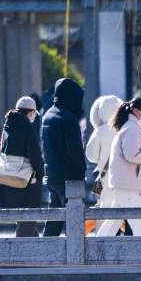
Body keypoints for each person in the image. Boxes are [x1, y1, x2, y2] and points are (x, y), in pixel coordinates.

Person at [96, 97, 141, 237]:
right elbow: (132, 155)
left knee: (112, 224)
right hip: (129, 186)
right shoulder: (132, 129)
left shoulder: (130, 127)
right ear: (136, 111)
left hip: (124, 184)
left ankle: (95, 249)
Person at [41, 77, 86, 237]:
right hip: (69, 178)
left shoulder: (47, 115)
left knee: (55, 218)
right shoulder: (68, 118)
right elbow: (75, 151)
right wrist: (82, 171)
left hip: (52, 175)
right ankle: (76, 256)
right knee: (74, 220)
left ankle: (45, 252)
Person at [0, 95, 45, 237]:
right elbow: (35, 155)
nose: (34, 117)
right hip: (26, 182)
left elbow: (0, 153)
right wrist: (41, 174)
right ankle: (19, 252)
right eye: (34, 114)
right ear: (30, 112)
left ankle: (36, 252)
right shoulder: (27, 128)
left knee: (24, 221)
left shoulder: (7, 126)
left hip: (7, 179)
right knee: (28, 219)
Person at [85, 94, 123, 207]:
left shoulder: (99, 131)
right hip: (124, 178)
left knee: (105, 212)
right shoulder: (125, 128)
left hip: (105, 177)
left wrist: (101, 158)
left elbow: (90, 155)